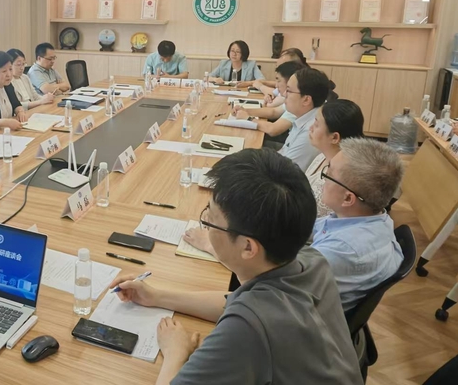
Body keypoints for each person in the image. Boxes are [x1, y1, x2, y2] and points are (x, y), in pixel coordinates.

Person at [110, 149, 362, 385]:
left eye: (211, 219)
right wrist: (157, 296)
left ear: (248, 247)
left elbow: (248, 317)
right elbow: (236, 301)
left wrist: (176, 351)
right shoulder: (310, 260)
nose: (205, 224)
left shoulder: (248, 329)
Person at [313, 138, 404, 311]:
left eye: (329, 175)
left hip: (310, 317)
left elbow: (280, 282)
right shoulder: (374, 217)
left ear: (348, 198)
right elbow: (311, 228)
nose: (323, 179)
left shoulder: (341, 249)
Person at [306, 100, 365, 218]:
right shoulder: (322, 156)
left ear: (334, 137)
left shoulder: (341, 178)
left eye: (316, 125)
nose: (310, 128)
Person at [232, 61, 304, 139]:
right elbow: (274, 112)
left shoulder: (298, 103)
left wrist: (248, 118)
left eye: (279, 81)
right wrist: (245, 111)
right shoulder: (292, 98)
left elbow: (273, 130)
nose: (276, 85)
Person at [280, 67, 331, 170]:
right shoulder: (303, 117)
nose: (284, 94)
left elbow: (284, 171)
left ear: (306, 100)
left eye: (289, 90)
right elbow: (284, 151)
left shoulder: (311, 130)